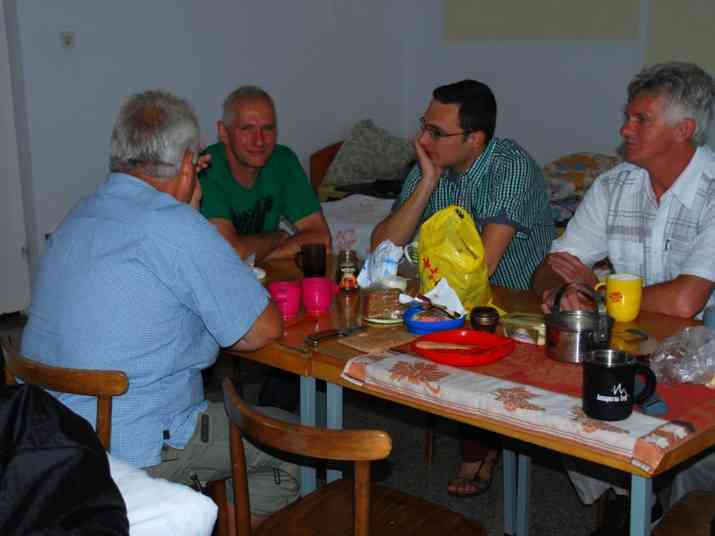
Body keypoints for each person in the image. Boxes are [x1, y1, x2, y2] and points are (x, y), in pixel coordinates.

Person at [20, 90, 300, 527]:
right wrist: (191, 212)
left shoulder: (82, 212)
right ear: (188, 164)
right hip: (132, 443)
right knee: (294, 445)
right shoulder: (177, 225)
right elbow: (262, 329)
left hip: (48, 434)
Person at [531, 62, 715, 535]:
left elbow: (685, 302)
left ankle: (674, 515)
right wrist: (560, 289)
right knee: (556, 392)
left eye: (641, 119)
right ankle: (627, 501)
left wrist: (594, 293)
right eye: (627, 117)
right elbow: (554, 263)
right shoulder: (615, 185)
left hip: (706, 355)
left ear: (684, 129)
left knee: (696, 461)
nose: (624, 130)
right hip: (631, 343)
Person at [372, 79, 554, 496]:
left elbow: (482, 267)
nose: (422, 140)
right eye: (424, 125)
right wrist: (426, 183)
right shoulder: (433, 162)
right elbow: (381, 248)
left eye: (437, 132)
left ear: (475, 139)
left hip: (512, 305)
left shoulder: (509, 166)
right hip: (449, 298)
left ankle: (481, 448)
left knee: (461, 332)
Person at [199, 85, 331, 261]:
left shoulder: (283, 161)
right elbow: (229, 254)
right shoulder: (205, 167)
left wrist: (258, 255)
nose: (259, 141)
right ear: (223, 132)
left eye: (268, 128)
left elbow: (322, 240)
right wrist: (276, 238)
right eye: (247, 129)